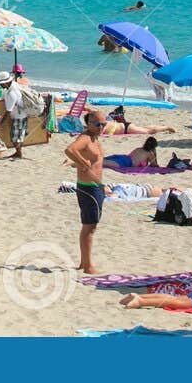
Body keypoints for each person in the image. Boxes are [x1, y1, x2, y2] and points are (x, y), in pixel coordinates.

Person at [64, 110, 106, 273]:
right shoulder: (86, 138)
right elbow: (70, 150)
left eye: (104, 124)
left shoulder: (95, 139)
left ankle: (84, 262)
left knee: (90, 225)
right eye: (97, 124)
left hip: (96, 186)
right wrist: (82, 162)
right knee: (90, 226)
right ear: (88, 124)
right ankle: (88, 265)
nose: (101, 127)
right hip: (87, 188)